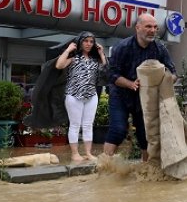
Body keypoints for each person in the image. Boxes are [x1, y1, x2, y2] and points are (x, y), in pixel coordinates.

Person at [103, 13, 177, 161]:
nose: (153, 30)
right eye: (148, 26)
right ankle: (104, 167)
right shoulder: (122, 47)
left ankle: (147, 170)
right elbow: (111, 75)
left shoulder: (159, 49)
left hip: (145, 98)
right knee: (118, 130)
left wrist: (165, 83)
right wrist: (130, 84)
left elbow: (173, 73)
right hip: (121, 95)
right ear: (138, 28)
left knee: (147, 135)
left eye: (155, 27)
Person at [55, 31, 107, 162]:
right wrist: (68, 50)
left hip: (91, 95)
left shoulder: (95, 60)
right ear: (80, 42)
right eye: (86, 41)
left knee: (88, 125)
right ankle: (75, 154)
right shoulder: (73, 58)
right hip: (73, 95)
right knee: (75, 125)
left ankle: (88, 153)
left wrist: (101, 53)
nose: (89, 44)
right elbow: (59, 65)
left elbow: (105, 68)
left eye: (91, 41)